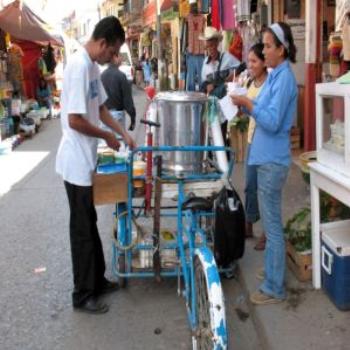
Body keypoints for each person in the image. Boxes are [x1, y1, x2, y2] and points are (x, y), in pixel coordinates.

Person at [55, 16, 136, 315]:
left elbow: (100, 108)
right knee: (81, 229)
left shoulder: (91, 67)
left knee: (89, 224)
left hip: (86, 160)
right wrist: (107, 136)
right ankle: (82, 294)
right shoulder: (77, 66)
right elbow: (75, 120)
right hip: (75, 161)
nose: (112, 58)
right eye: (112, 51)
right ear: (102, 43)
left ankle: (97, 281)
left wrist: (123, 133)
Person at [231, 22, 297, 305]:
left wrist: (248, 104)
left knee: (271, 225)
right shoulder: (274, 76)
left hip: (273, 159)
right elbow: (263, 112)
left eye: (269, 46)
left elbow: (271, 121)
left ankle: (274, 287)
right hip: (265, 157)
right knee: (271, 222)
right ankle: (272, 272)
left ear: (281, 50)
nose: (265, 50)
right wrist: (247, 105)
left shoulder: (284, 79)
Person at [242, 43, 268, 251]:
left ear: (264, 62)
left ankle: (267, 233)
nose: (250, 65)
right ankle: (249, 224)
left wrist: (247, 105)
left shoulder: (270, 85)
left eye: (254, 61)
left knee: (266, 189)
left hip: (265, 141)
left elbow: (265, 113)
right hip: (252, 139)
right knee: (250, 184)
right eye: (249, 60)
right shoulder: (251, 82)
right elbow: (249, 110)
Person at [199, 26, 241, 144]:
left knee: (222, 131)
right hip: (212, 103)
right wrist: (207, 86)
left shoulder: (227, 58)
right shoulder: (205, 64)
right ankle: (213, 159)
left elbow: (241, 68)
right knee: (211, 132)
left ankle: (223, 158)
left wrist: (229, 79)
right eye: (208, 46)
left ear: (217, 44)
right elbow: (202, 84)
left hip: (224, 102)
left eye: (212, 45)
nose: (210, 49)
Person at [101, 52, 136, 134]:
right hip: (117, 116)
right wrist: (133, 119)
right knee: (119, 143)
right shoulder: (121, 76)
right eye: (120, 56)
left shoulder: (102, 76)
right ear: (114, 57)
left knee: (106, 145)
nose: (121, 59)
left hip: (104, 116)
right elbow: (128, 101)